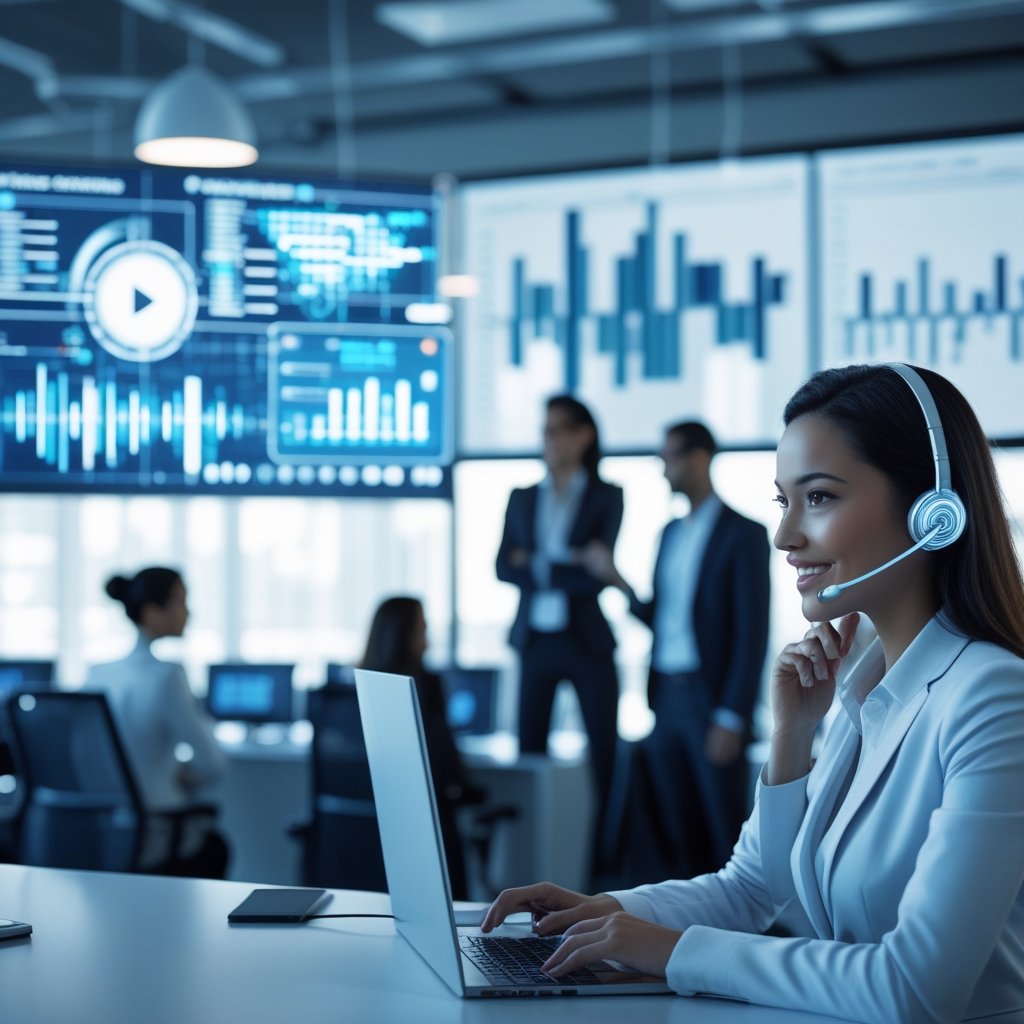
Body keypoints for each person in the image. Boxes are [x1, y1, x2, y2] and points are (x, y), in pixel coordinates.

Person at [482, 363, 1024, 1023]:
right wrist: (608, 913)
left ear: (932, 512)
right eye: (782, 501)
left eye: (818, 498)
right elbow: (754, 887)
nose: (785, 536)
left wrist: (672, 951)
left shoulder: (993, 698)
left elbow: (912, 988)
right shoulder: (865, 692)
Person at [582, 420, 770, 880]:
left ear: (698, 458)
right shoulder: (668, 533)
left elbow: (752, 631)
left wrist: (732, 714)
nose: (662, 469)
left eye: (668, 458)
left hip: (710, 702)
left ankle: (736, 923)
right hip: (665, 697)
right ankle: (685, 921)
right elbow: (662, 617)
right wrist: (618, 581)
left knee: (724, 830)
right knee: (675, 833)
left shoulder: (743, 533)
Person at [495, 394, 623, 882]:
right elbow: (502, 565)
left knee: (604, 762)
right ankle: (526, 874)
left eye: (557, 430)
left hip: (586, 642)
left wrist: (535, 561)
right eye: (545, 430)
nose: (548, 439)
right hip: (535, 641)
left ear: (583, 435)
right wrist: (566, 560)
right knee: (529, 757)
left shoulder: (607, 495)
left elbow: (596, 575)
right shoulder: (523, 497)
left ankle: (602, 874)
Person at [87, 567, 229, 878]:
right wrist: (180, 774)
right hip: (154, 833)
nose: (189, 612)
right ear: (152, 612)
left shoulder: (97, 674)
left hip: (102, 832)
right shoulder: (167, 676)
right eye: (181, 601)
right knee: (216, 848)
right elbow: (212, 765)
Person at [359, 595, 479, 900]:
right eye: (423, 631)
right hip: (420, 836)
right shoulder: (424, 687)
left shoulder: (358, 689)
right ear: (403, 637)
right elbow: (444, 765)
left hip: (362, 842)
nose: (428, 642)